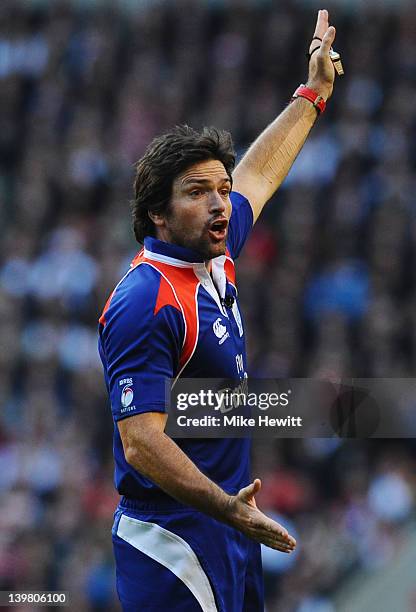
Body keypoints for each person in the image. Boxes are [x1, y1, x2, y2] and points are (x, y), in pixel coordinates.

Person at [99, 9, 339, 612]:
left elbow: (259, 173)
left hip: (229, 520)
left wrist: (311, 95)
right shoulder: (144, 299)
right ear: (158, 213)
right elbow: (141, 443)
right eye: (198, 193)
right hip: (172, 539)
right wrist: (223, 504)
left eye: (221, 190)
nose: (220, 204)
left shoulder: (216, 256)